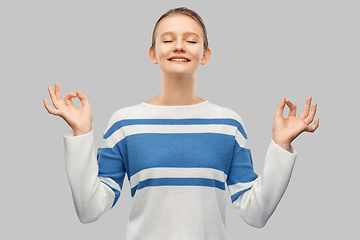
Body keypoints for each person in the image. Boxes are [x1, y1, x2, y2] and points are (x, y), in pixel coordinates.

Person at [43, 7, 319, 240]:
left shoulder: (228, 124)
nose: (179, 45)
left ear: (205, 54)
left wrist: (281, 145)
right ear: (152, 53)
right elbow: (90, 211)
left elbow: (255, 214)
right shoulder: (125, 123)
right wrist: (81, 134)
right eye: (167, 39)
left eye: (191, 40)